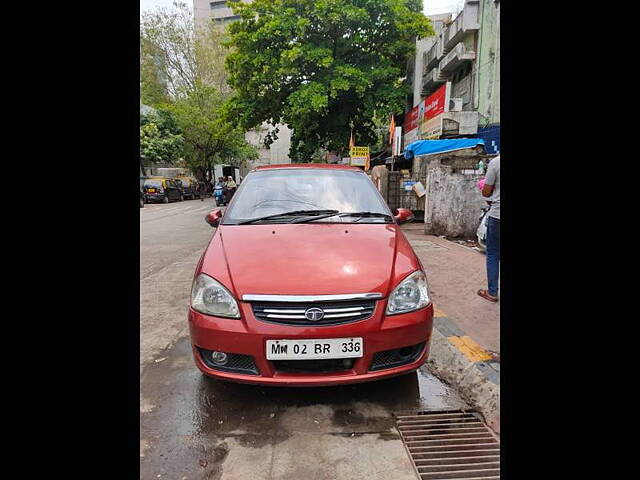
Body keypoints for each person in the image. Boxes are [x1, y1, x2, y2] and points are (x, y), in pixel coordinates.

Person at [477, 156, 500, 302]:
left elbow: (486, 192)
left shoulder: (496, 162)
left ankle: (492, 293)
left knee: (493, 254)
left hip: (498, 215)